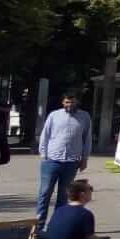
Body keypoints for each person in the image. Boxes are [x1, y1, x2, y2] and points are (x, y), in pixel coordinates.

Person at [36, 93, 91, 229]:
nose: (69, 105)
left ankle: (56, 224)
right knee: (45, 192)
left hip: (71, 161)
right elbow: (45, 135)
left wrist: (84, 158)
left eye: (72, 102)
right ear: (62, 102)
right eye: (67, 102)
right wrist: (43, 154)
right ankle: (39, 225)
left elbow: (87, 138)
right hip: (52, 160)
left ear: (76, 102)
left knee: (64, 195)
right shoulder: (54, 115)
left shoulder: (84, 117)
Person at [43, 180, 120, 239]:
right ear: (82, 194)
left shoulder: (59, 210)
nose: (92, 191)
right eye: (90, 189)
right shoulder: (85, 214)